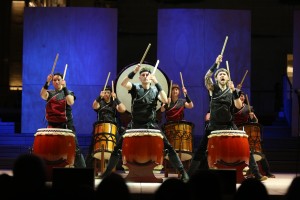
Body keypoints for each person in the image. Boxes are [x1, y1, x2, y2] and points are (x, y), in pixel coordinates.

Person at [101, 64, 189, 182]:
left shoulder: (154, 89)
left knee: (169, 147)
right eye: (143, 75)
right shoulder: (135, 88)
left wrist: (157, 82)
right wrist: (134, 72)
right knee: (117, 147)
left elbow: (164, 99)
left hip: (151, 124)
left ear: (150, 77)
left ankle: (183, 172)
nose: (145, 76)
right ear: (140, 78)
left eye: (147, 74)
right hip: (135, 124)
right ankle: (107, 173)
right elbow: (123, 84)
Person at [188, 55, 267, 181]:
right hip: (214, 124)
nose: (222, 75)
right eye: (220, 74)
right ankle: (188, 176)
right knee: (201, 150)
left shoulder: (233, 90)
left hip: (229, 124)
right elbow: (206, 77)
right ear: (217, 78)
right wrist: (215, 64)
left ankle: (257, 174)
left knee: (245, 146)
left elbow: (239, 106)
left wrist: (234, 91)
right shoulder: (212, 88)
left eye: (225, 74)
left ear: (228, 77)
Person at [40, 72, 86, 168]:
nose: (56, 81)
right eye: (54, 80)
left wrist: (65, 88)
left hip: (66, 125)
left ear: (62, 81)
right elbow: (42, 95)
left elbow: (70, 102)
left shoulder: (69, 92)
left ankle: (83, 172)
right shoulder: (50, 93)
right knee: (50, 150)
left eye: (58, 80)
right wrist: (46, 82)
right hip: (52, 126)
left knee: (76, 150)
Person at [233, 90, 275, 178]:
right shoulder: (233, 107)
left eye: (243, 96)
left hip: (247, 131)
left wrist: (252, 117)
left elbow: (256, 121)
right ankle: (254, 172)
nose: (242, 97)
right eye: (240, 96)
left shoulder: (248, 107)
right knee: (250, 152)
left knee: (259, 152)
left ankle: (267, 172)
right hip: (237, 130)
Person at [85, 85, 127, 168]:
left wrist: (116, 98)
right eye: (105, 92)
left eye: (108, 92)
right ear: (102, 93)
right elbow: (94, 105)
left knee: (118, 144)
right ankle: (89, 166)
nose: (107, 94)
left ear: (111, 94)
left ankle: (117, 163)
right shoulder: (100, 102)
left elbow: (123, 109)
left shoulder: (114, 103)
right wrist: (99, 97)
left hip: (113, 128)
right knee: (92, 147)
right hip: (100, 127)